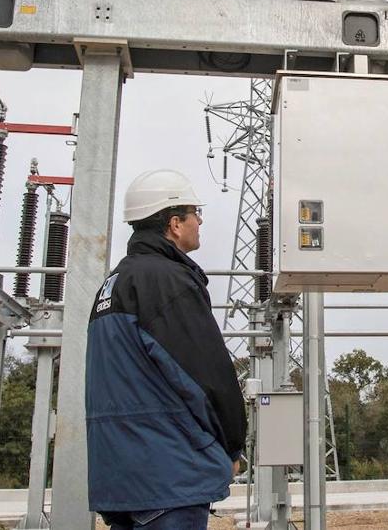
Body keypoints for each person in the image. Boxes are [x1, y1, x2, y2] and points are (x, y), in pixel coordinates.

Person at [86, 169, 246, 530]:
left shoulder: (113, 285)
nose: (200, 220)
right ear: (175, 223)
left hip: (121, 476)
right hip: (170, 477)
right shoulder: (168, 281)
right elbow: (206, 376)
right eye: (194, 213)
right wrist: (232, 446)